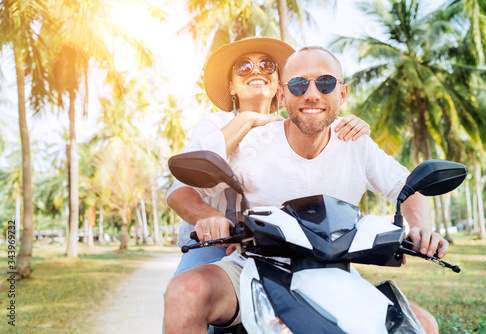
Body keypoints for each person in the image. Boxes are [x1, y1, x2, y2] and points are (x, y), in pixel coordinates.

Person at [164, 46, 447, 333]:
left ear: (343, 93)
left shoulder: (356, 142)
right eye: (299, 84)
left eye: (325, 83)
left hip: (334, 268)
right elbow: (184, 187)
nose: (312, 94)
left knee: (423, 324)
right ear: (283, 95)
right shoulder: (249, 141)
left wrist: (422, 228)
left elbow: (407, 186)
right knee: (186, 291)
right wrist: (209, 217)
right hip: (252, 265)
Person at [167, 37, 371, 275]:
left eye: (267, 65)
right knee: (187, 298)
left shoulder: (298, 126)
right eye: (243, 66)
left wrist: (355, 129)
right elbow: (181, 190)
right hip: (218, 244)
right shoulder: (214, 124)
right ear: (231, 86)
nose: (255, 70)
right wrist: (248, 119)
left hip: (285, 245)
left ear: (279, 83)